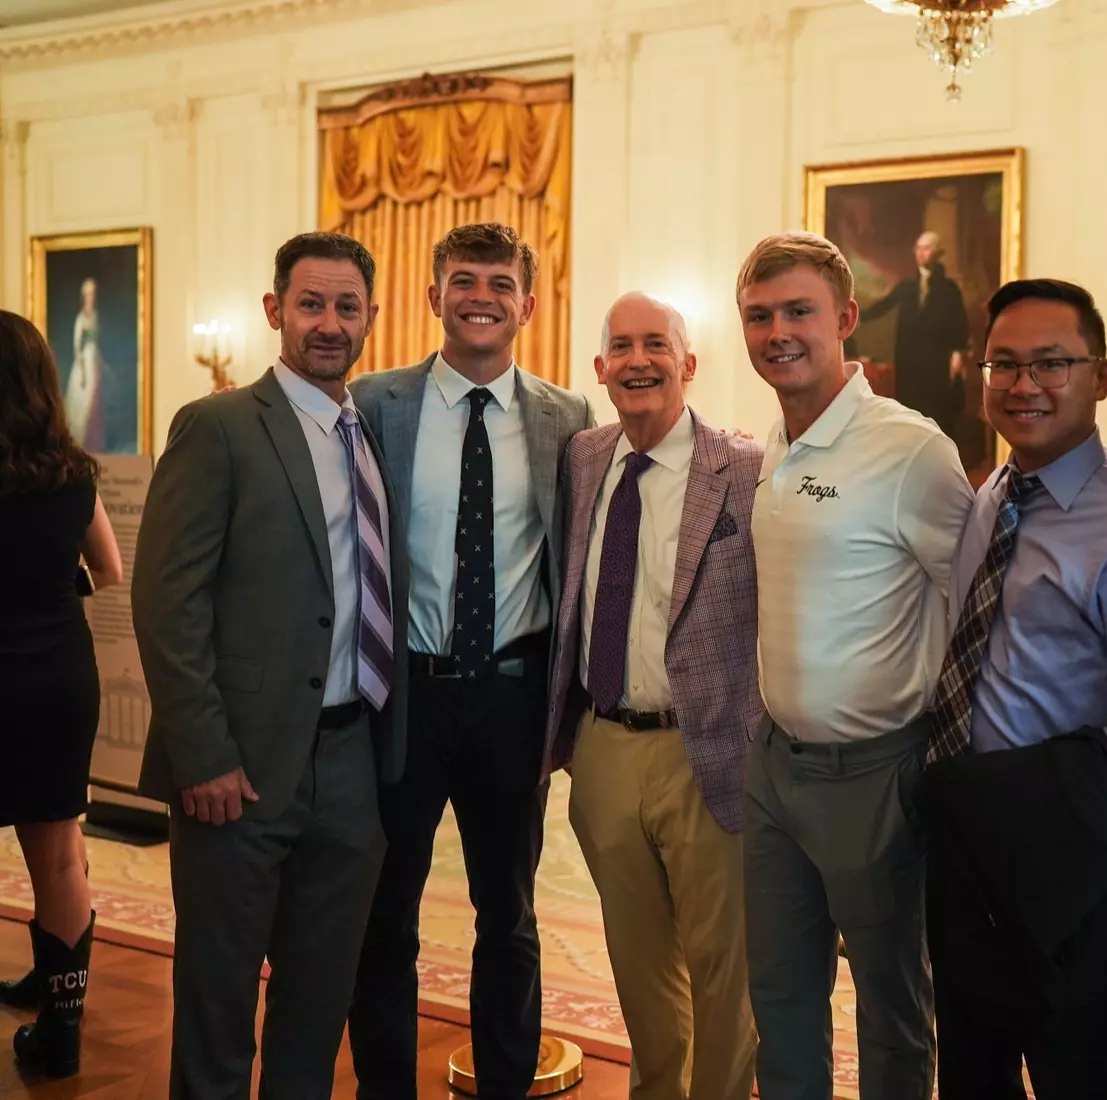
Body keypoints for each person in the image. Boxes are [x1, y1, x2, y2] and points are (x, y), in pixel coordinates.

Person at [132, 230, 407, 1098]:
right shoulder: (217, 427)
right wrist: (202, 753)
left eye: (347, 306)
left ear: (371, 316)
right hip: (238, 769)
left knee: (317, 1004)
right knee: (217, 1009)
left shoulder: (371, 435)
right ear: (274, 311)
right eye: (311, 304)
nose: (329, 323)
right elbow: (166, 602)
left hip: (350, 762)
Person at [923, 278, 1107, 1100]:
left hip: (1072, 854)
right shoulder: (989, 499)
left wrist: (1060, 793)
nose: (1023, 385)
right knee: (972, 1073)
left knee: (1072, 1071)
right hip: (968, 839)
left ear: (1102, 377)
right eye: (1003, 365)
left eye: (1052, 363)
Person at [347, 222, 595, 1100]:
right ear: (433, 297)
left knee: (511, 916)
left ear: (528, 302)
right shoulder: (375, 403)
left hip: (515, 699)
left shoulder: (569, 417)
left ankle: (504, 1086)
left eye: (499, 281)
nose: (481, 295)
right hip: (406, 693)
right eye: (462, 279)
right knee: (387, 918)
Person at [737, 231, 975, 1100]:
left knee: (890, 1007)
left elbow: (978, 609)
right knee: (782, 996)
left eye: (798, 311)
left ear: (844, 319)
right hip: (775, 769)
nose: (778, 333)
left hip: (877, 772)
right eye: (759, 317)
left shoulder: (911, 450)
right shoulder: (775, 441)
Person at [545, 291, 762, 1100]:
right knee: (638, 964)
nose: (639, 360)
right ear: (599, 370)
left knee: (723, 968)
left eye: (657, 344)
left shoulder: (743, 467)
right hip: (602, 748)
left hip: (705, 747)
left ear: (689, 364)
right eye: (622, 347)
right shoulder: (585, 458)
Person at [0, 310, 123, 1078]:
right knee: (59, 854)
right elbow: (109, 570)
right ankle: (62, 1027)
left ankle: (51, 988)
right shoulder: (71, 471)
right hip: (56, 678)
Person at [858, 230, 971, 445]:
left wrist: (958, 353)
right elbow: (882, 306)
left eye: (927, 248)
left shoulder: (948, 289)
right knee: (909, 409)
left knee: (936, 410)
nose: (921, 253)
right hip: (909, 360)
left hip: (936, 361)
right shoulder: (907, 287)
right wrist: (852, 315)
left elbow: (959, 323)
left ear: (938, 253)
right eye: (918, 248)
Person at [63, 279, 106, 452]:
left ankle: (94, 444)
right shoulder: (81, 318)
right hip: (84, 363)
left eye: (93, 294)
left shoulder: (95, 316)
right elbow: (76, 345)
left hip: (93, 359)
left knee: (95, 401)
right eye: (88, 295)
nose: (91, 298)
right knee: (83, 403)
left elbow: (96, 343)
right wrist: (82, 370)